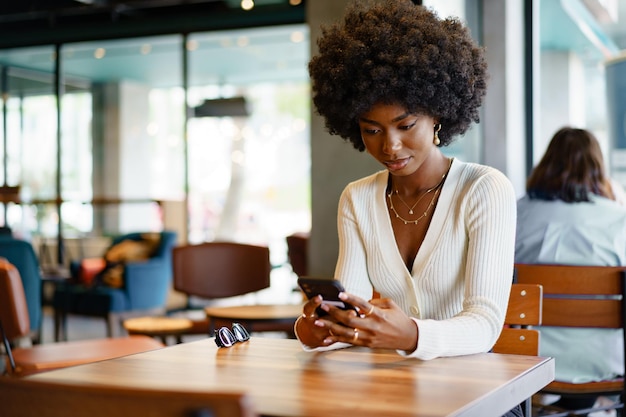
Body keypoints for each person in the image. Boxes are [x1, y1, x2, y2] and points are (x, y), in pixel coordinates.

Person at [295, 2, 518, 412]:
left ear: (438, 115)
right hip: (389, 390)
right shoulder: (357, 198)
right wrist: (321, 327)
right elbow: (354, 303)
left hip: (473, 395)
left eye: (405, 125)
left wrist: (412, 335)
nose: (389, 147)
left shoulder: (484, 189)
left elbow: (485, 324)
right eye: (372, 130)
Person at [515, 126, 626, 412]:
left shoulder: (515, 214)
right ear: (598, 168)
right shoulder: (618, 220)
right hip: (605, 359)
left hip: (530, 355)